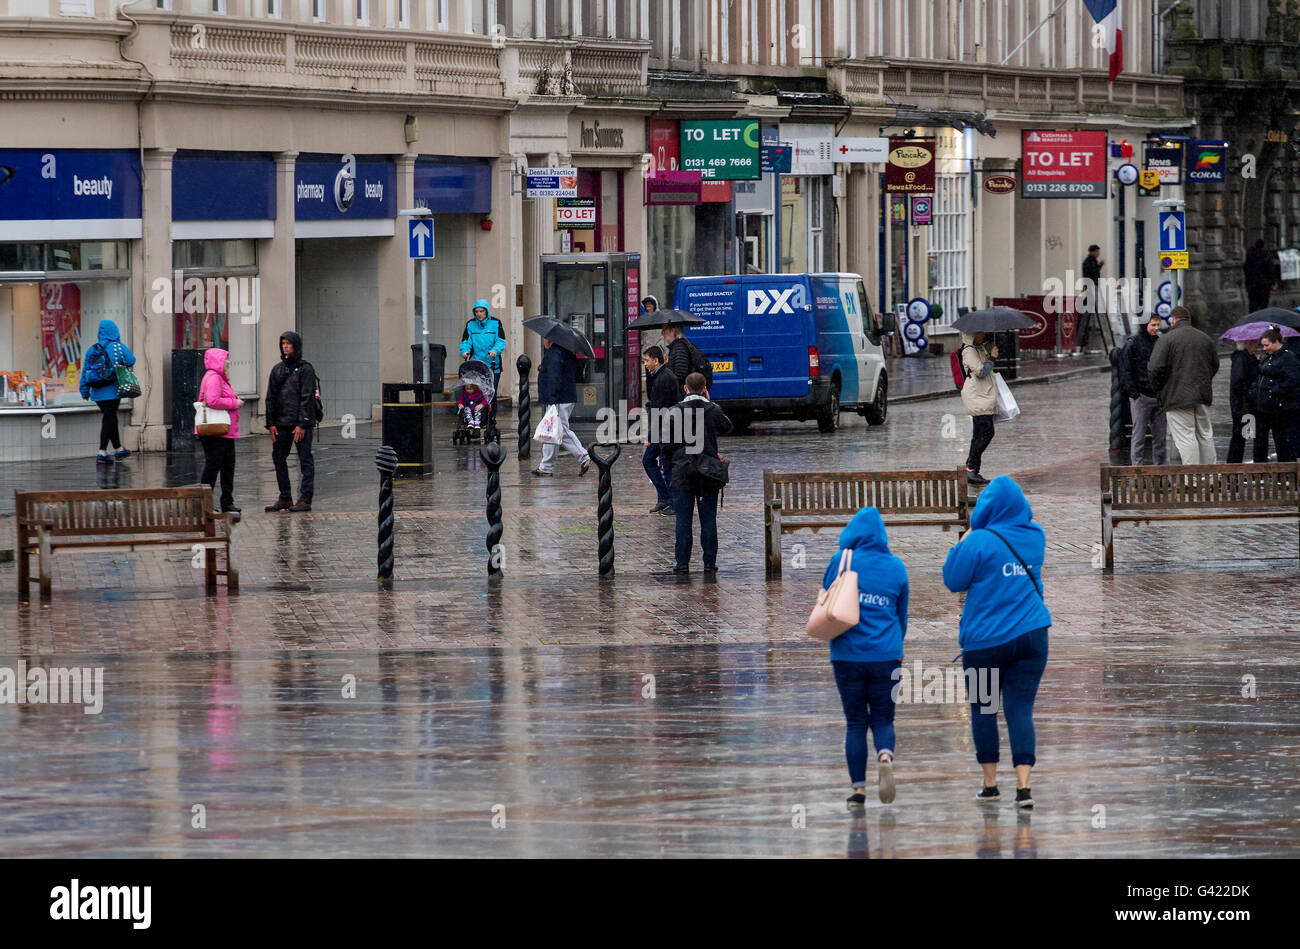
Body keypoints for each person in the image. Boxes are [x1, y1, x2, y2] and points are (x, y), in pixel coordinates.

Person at [942, 475, 1052, 809]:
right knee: (1020, 710)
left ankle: (990, 785)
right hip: (1033, 636)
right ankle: (1024, 787)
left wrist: (962, 541)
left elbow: (952, 580)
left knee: (985, 709)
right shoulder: (1036, 536)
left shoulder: (978, 541)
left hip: (985, 642)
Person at [823, 507, 908, 808]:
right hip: (887, 655)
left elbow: (828, 601)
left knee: (856, 721)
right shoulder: (896, 567)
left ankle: (858, 791)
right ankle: (885, 754)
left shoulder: (841, 562)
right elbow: (902, 619)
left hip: (847, 655)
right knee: (884, 718)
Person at [664, 372, 732, 577]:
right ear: (704, 389)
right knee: (708, 519)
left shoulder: (674, 411)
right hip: (708, 472)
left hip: (683, 471)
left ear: (685, 388)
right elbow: (727, 426)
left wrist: (676, 460)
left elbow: (666, 445)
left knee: (683, 520)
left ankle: (682, 563)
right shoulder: (713, 410)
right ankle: (709, 562)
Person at [1147, 306, 1219, 465]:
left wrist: (1160, 388)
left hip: (1176, 397)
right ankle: (1211, 477)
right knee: (1205, 435)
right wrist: (1203, 382)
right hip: (1202, 395)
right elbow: (1214, 365)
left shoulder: (1166, 339)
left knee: (1186, 437)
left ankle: (1193, 480)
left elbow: (1154, 368)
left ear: (1173, 320)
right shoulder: (1205, 338)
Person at [264, 331, 317, 513]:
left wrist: (302, 423)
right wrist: (270, 423)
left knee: (305, 460)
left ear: (296, 345)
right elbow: (270, 397)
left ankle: (305, 498)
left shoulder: (305, 369)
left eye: (289, 343)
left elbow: (307, 397)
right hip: (281, 423)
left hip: (299, 424)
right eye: (283, 343)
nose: (286, 346)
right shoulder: (277, 369)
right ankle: (285, 497)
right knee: (279, 458)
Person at [78, 318, 136, 464]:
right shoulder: (118, 347)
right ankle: (102, 452)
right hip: (113, 391)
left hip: (97, 393)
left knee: (110, 418)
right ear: (115, 331)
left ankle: (118, 449)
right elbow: (131, 360)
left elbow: (85, 371)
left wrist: (84, 391)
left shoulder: (92, 349)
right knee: (108, 420)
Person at [533, 338, 590, 478]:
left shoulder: (555, 352)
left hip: (559, 398)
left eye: (544, 338)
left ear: (549, 339)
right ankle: (546, 467)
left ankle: (583, 456)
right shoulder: (564, 351)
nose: (543, 341)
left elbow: (554, 376)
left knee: (561, 429)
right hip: (563, 396)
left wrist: (552, 398)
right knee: (551, 430)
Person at [196, 347, 243, 514]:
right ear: (218, 361)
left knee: (227, 466)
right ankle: (203, 504)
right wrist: (234, 403)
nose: (228, 362)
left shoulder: (219, 377)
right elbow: (213, 401)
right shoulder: (214, 377)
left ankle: (227, 502)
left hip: (224, 430)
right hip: (216, 431)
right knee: (214, 466)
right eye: (225, 359)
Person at [1119, 314, 1168, 465]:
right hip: (1141, 396)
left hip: (1157, 397)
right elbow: (1125, 370)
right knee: (1138, 437)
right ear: (1145, 325)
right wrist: (1134, 394)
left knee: (1160, 438)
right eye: (1153, 325)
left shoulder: (1159, 342)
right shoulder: (1133, 343)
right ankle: (1137, 471)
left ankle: (1160, 471)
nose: (1156, 328)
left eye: (1158, 325)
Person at [640, 345, 678, 515]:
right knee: (649, 460)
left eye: (647, 360)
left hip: (666, 430)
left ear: (656, 360)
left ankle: (673, 503)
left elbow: (659, 410)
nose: (645, 364)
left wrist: (650, 436)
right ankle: (664, 498)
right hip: (664, 428)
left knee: (667, 466)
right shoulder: (659, 376)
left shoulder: (664, 378)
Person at [958, 331, 999, 485]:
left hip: (983, 395)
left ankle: (973, 470)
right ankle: (970, 468)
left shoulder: (978, 348)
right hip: (977, 397)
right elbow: (981, 372)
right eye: (980, 333)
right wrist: (992, 358)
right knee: (987, 432)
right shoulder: (968, 351)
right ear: (972, 335)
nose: (983, 335)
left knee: (979, 434)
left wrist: (990, 351)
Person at [1255, 327, 1300, 462]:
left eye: (1267, 345)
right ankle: (1259, 470)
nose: (1264, 348)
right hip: (1262, 406)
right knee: (1260, 440)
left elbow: (1294, 380)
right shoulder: (1267, 356)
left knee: (1281, 440)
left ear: (1276, 342)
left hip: (1278, 407)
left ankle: (1284, 471)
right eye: (1263, 345)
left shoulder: (1288, 357)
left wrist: (1273, 390)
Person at [460, 299, 507, 416]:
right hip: (476, 365)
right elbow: (466, 341)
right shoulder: (470, 324)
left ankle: (491, 419)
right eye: (476, 311)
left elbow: (500, 341)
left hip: (492, 365)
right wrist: (465, 351)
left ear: (486, 312)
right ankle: (476, 416)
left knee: (491, 393)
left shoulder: (496, 323)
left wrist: (495, 351)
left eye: (481, 311)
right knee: (476, 393)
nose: (479, 314)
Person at [1228, 339, 1268, 464]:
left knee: (1244, 436)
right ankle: (1233, 468)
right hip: (1244, 406)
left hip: (1247, 404)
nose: (1258, 343)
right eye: (1255, 341)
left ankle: (1234, 468)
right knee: (1241, 436)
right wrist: (1252, 391)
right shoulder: (1242, 358)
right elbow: (1238, 383)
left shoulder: (1249, 357)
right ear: (1249, 343)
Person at [1079, 244, 1104, 351]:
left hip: (1092, 286)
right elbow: (1093, 272)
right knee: (1089, 309)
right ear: (1093, 252)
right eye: (1097, 251)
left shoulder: (1091, 261)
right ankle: (1086, 329)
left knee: (1090, 308)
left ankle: (1088, 328)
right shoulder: (1089, 262)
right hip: (1091, 287)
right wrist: (1100, 265)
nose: (1098, 253)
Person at [1243, 240, 1279, 313]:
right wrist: (1273, 282)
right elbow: (1270, 271)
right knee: (1263, 305)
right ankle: (1262, 321)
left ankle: (1253, 321)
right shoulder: (1266, 256)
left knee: (1253, 305)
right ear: (1263, 246)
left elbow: (1246, 269)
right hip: (1264, 285)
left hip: (1253, 285)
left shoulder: (1250, 255)